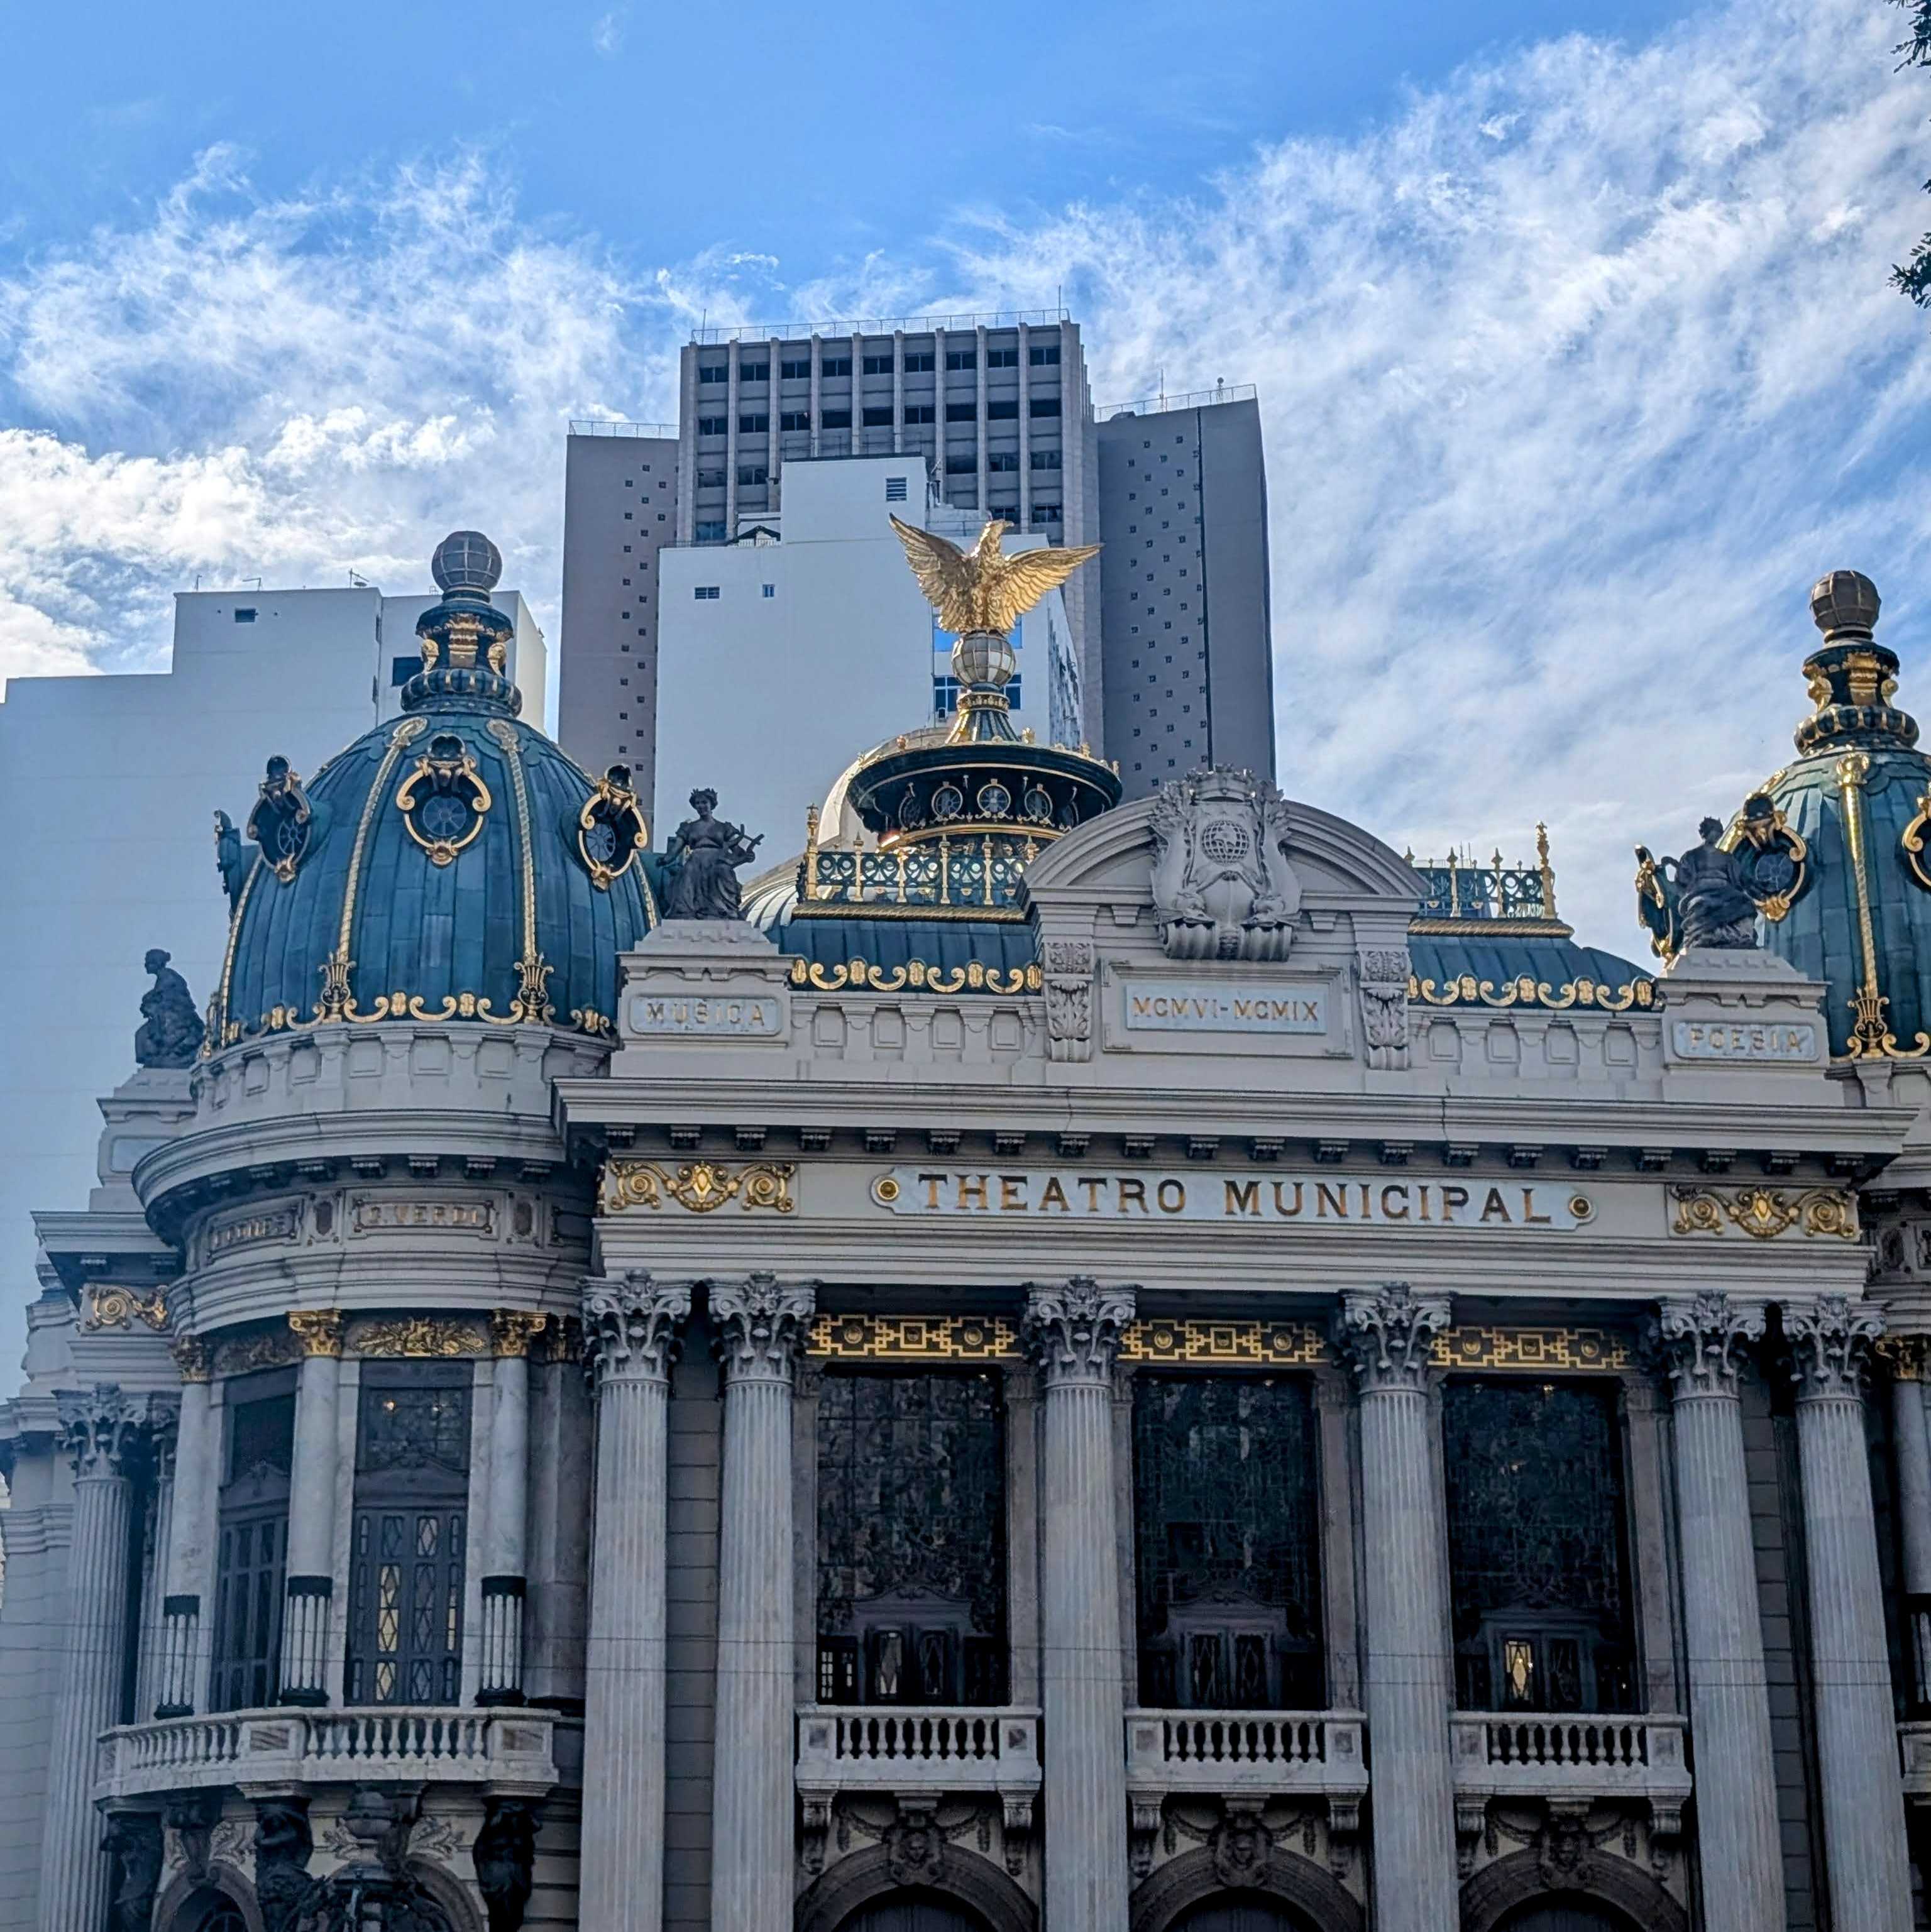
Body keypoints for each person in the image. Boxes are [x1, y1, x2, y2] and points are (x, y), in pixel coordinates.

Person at [663, 789, 762, 921]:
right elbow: (675, 850)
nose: (701, 806)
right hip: (696, 861)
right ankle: (686, 912)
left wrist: (749, 856)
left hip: (718, 861)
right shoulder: (688, 828)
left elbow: (738, 850)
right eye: (698, 803)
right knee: (688, 873)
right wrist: (665, 859)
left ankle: (723, 911)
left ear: (712, 804)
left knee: (722, 872)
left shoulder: (724, 827)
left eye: (704, 802)